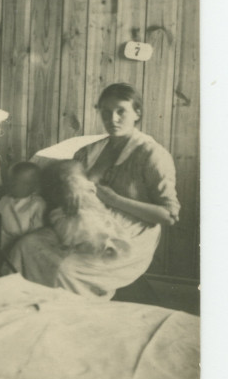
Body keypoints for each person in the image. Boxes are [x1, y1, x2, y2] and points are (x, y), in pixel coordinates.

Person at [10, 83, 179, 299]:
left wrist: (116, 200)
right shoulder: (90, 150)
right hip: (83, 222)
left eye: (121, 111)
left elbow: (168, 215)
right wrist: (68, 189)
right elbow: (71, 184)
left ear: (137, 113)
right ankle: (25, 310)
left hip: (129, 233)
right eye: (106, 112)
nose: (113, 119)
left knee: (65, 269)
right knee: (26, 245)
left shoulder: (152, 155)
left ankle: (70, 318)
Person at [0, 161, 46, 257]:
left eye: (15, 184)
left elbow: (38, 230)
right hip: (3, 241)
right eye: (9, 181)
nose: (10, 186)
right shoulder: (5, 200)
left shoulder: (37, 204)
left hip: (24, 245)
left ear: (32, 187)